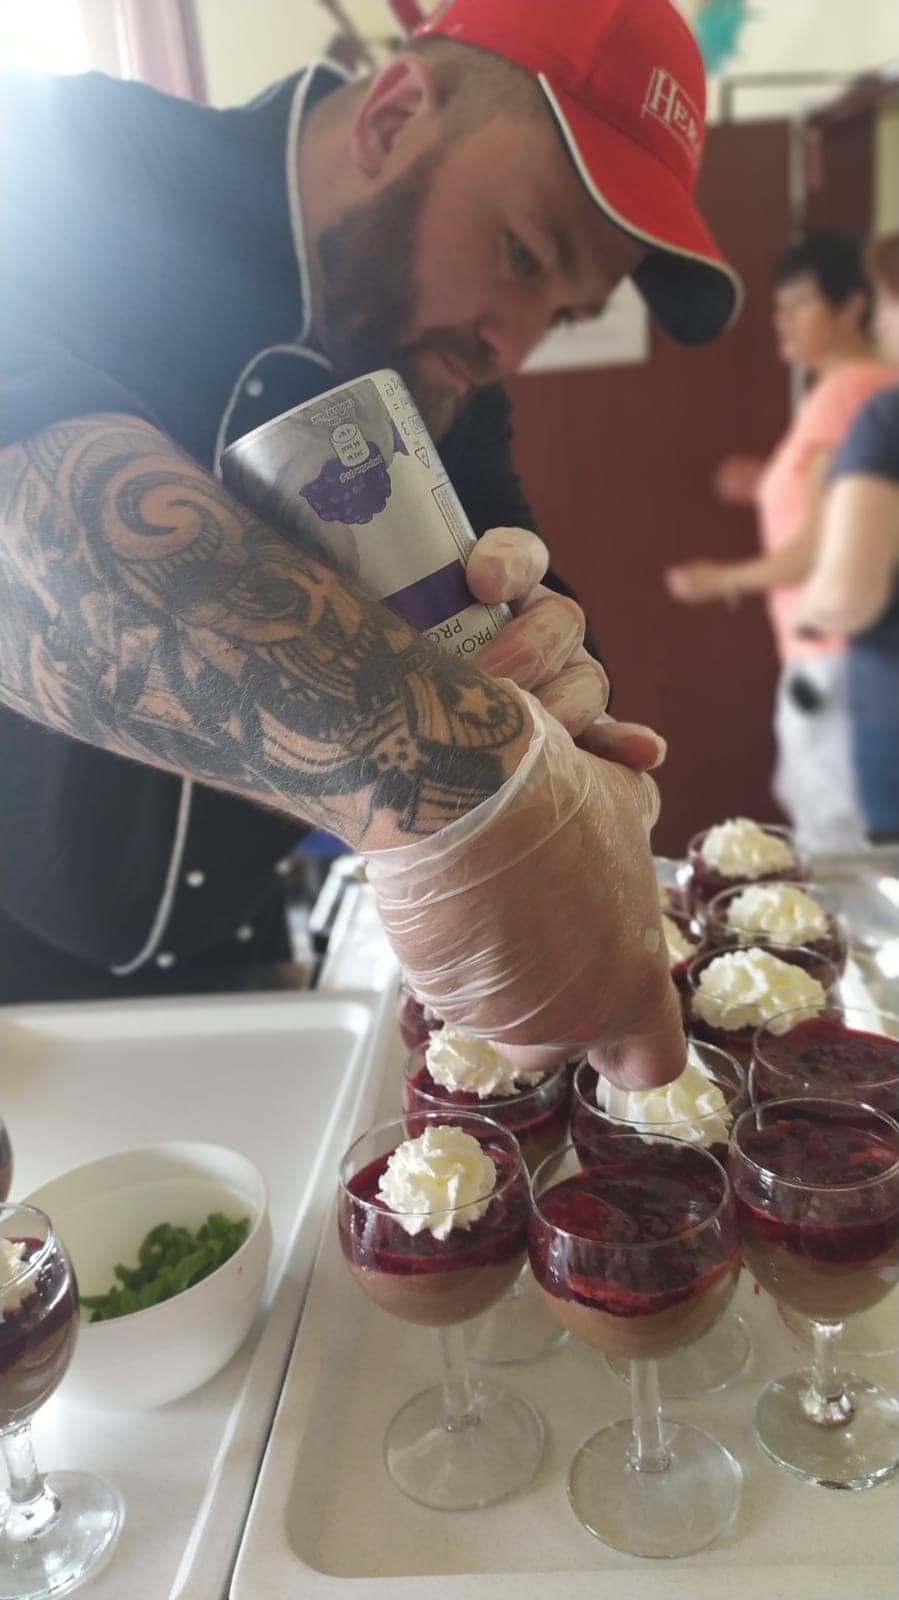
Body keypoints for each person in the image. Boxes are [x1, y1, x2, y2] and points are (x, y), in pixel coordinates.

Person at [0, 0, 739, 1086]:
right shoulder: (60, 160)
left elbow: (545, 634)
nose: (513, 344)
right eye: (523, 254)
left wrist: (548, 678)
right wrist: (458, 778)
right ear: (393, 116)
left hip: (238, 963)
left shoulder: (442, 380)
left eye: (562, 314)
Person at [665, 231, 899, 853]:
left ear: (853, 306)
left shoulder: (848, 393)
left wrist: (721, 580)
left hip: (834, 655)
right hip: (859, 658)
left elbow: (823, 547)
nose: (781, 319)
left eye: (799, 302)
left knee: (838, 844)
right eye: (779, 305)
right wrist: (768, 482)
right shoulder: (872, 390)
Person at [796, 235, 899, 841]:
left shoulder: (887, 421)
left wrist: (811, 609)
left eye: (889, 303)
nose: (882, 323)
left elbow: (850, 594)